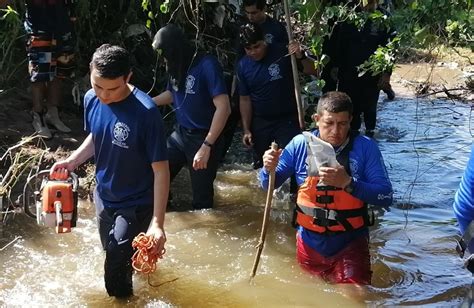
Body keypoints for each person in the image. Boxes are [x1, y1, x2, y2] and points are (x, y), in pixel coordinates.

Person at [50, 44, 169, 298]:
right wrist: (71, 161)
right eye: (97, 86)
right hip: (104, 196)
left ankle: (124, 301)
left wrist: (158, 223)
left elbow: (161, 171)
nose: (104, 95)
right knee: (114, 254)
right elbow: (97, 136)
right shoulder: (91, 99)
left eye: (112, 88)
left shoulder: (146, 114)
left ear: (128, 78)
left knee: (115, 273)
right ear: (91, 73)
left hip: (136, 202)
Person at [260, 91, 393, 285]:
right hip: (308, 244)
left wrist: (349, 183)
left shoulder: (366, 147)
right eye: (329, 123)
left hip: (350, 244)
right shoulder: (299, 145)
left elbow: (386, 196)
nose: (336, 131)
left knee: (354, 299)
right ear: (316, 119)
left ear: (351, 121)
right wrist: (267, 168)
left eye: (342, 124)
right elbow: (267, 185)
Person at [151, 24, 231, 210]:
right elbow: (173, 94)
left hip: (204, 137)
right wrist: (147, 103)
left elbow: (224, 108)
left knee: (202, 204)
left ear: (175, 50)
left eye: (165, 55)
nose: (163, 60)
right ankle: (164, 208)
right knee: (155, 172)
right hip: (180, 134)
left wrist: (207, 146)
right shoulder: (176, 65)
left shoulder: (207, 65)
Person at [237, 22, 315, 169]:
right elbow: (245, 99)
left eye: (257, 46)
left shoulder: (283, 53)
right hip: (260, 122)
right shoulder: (243, 65)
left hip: (287, 119)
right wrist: (246, 129)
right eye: (249, 49)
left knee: (293, 162)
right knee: (262, 167)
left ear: (264, 41)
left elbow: (312, 70)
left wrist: (300, 56)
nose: (254, 52)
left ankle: (294, 191)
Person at [322, 0, 395, 137]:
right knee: (350, 109)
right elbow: (335, 43)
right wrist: (333, 66)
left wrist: (386, 73)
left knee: (370, 110)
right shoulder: (346, 15)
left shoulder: (383, 17)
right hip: (348, 71)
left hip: (373, 73)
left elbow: (391, 48)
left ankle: (370, 141)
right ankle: (351, 142)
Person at [24, 0, 76, 138]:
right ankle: (38, 116)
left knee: (60, 73)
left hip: (63, 28)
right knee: (39, 74)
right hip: (40, 29)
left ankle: (52, 114)